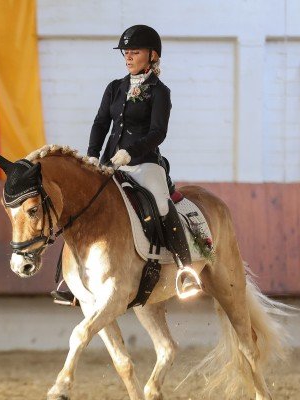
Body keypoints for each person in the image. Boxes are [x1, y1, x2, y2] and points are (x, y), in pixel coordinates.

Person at [52, 24, 201, 306]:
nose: (128, 57)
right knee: (83, 204)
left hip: (145, 163)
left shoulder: (160, 92)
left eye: (135, 52)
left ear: (152, 55)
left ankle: (184, 270)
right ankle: (70, 280)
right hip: (110, 163)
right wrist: (92, 155)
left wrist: (130, 153)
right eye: (126, 53)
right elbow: (100, 124)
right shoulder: (115, 88)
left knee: (160, 202)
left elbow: (158, 132)